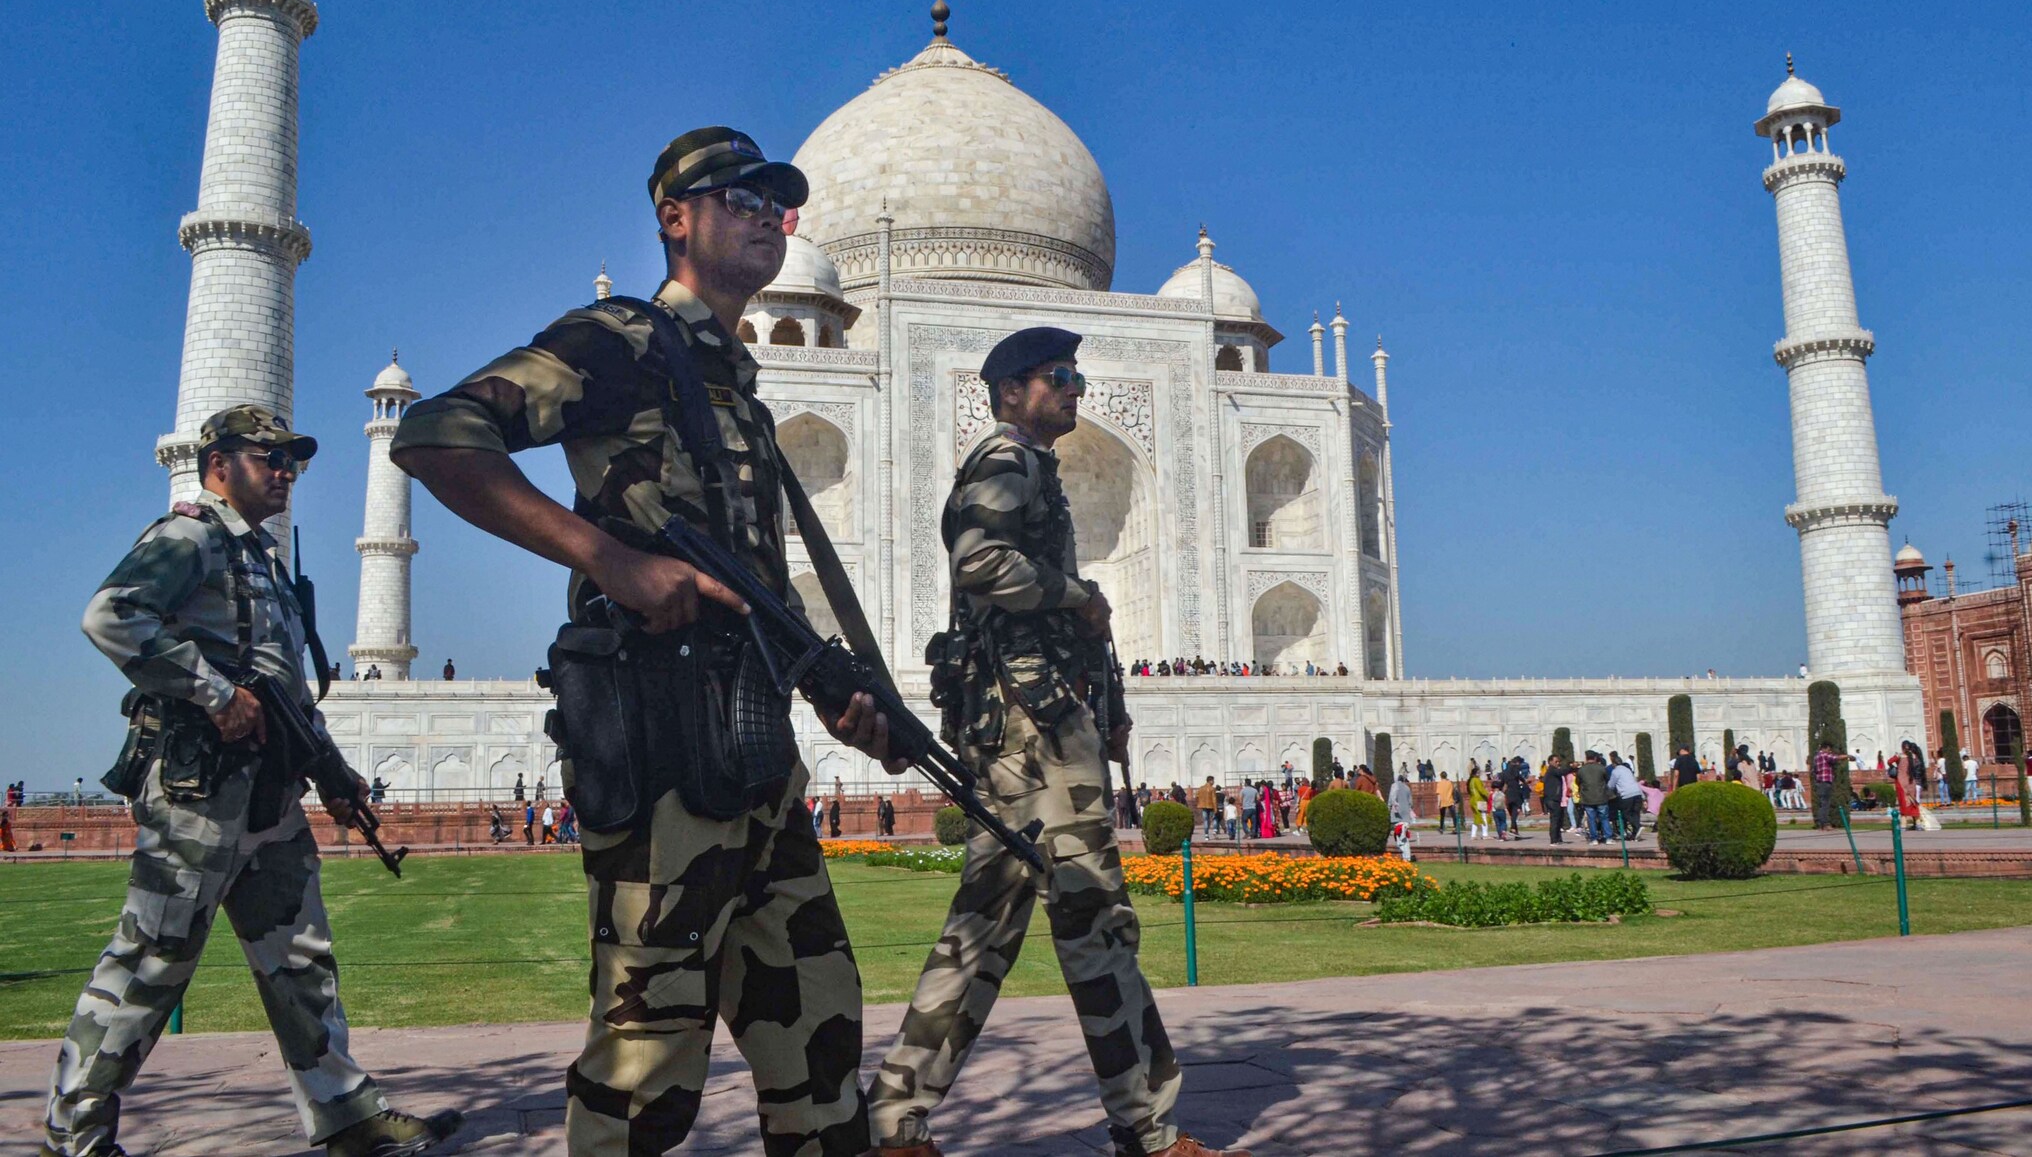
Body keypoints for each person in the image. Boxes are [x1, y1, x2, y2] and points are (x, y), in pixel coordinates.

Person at [393, 127, 900, 1155]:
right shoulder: (620, 342)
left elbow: (745, 589)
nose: (767, 212)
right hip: (662, 744)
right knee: (647, 1051)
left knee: (817, 1027)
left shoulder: (734, 391)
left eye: (776, 200)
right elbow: (438, 433)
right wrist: (606, 558)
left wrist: (834, 690)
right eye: (737, 196)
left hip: (750, 747)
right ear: (675, 217)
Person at [866, 327, 1244, 1157]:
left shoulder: (1033, 468)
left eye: (1077, 374)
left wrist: (1104, 700)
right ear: (1010, 391)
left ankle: (894, 1118)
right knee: (1094, 916)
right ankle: (1149, 1129)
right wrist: (1077, 595)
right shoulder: (1010, 461)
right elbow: (979, 560)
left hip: (1026, 725)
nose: (1074, 388)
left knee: (986, 924)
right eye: (1057, 376)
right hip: (1033, 733)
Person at [44, 405, 459, 1157]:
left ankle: (348, 1116)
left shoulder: (260, 559)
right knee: (150, 961)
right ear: (218, 464)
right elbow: (110, 616)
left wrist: (331, 770)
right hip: (198, 796)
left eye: (290, 459)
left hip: (266, 795)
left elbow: (281, 689)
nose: (285, 471)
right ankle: (72, 1134)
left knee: (300, 959)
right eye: (269, 456)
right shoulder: (190, 537)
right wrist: (210, 690)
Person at [1608, 751, 1646, 840]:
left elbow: (1611, 785)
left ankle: (1638, 826)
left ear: (1614, 764)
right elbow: (1635, 782)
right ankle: (1636, 833)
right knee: (1635, 813)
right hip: (1637, 793)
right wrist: (1643, 796)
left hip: (1626, 795)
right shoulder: (1628, 770)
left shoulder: (1615, 771)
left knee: (1626, 813)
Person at [1578, 751, 1613, 844]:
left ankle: (1594, 839)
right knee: (1604, 818)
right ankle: (1608, 838)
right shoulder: (1601, 768)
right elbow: (1607, 779)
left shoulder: (1581, 770)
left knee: (1591, 819)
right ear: (1595, 758)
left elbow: (1578, 782)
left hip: (1588, 798)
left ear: (1586, 758)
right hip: (1601, 796)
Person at [1541, 754, 1571, 844]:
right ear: (1550, 762)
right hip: (1552, 799)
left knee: (1558, 819)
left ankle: (1558, 838)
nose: (1558, 763)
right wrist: (1571, 767)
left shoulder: (1553, 771)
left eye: (1558, 762)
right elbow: (1561, 772)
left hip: (1555, 799)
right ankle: (1554, 840)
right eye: (1556, 762)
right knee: (1555, 819)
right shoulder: (1551, 770)